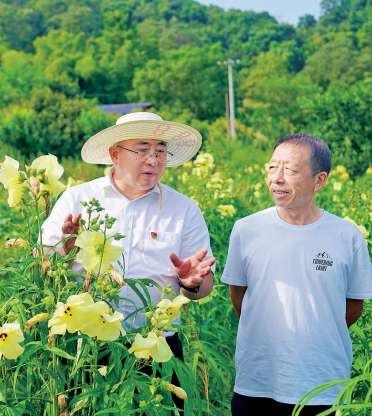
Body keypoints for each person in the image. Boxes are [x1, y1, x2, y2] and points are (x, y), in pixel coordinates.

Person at [41, 112, 216, 409]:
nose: (153, 160)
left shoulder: (184, 209)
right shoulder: (78, 199)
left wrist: (192, 282)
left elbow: (203, 288)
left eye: (160, 151)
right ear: (115, 154)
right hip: (86, 345)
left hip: (156, 345)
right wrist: (67, 248)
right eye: (142, 149)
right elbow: (41, 265)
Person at [221, 133, 372, 416]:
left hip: (322, 382)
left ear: (320, 181)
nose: (277, 178)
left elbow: (353, 308)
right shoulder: (246, 229)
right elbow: (239, 298)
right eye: (271, 167)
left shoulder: (347, 235)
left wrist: (315, 331)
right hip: (257, 381)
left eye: (290, 170)